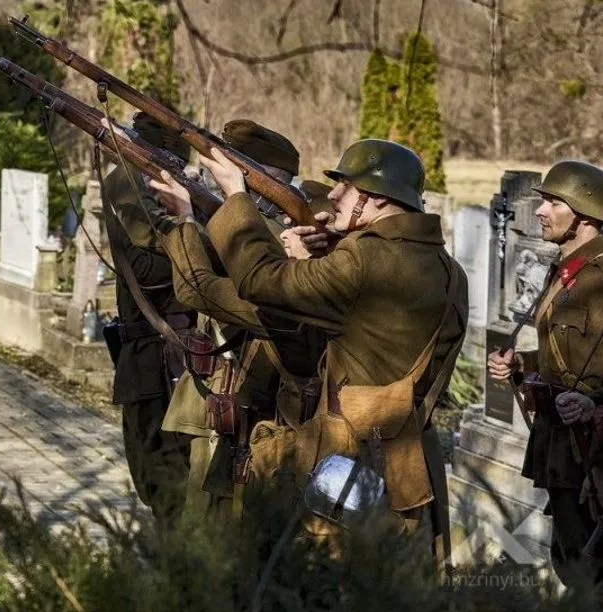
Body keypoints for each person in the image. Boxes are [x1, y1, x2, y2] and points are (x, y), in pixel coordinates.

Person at [154, 137, 468, 567]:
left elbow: (259, 281)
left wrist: (234, 198)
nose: (332, 195)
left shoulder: (362, 262)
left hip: (341, 465)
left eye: (345, 187)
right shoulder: (451, 271)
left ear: (375, 200)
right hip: (407, 465)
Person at [151, 120, 328, 518]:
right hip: (218, 400)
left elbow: (195, 287)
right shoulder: (244, 226)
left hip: (250, 412)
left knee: (219, 525)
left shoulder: (269, 242)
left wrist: (184, 217)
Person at [488, 160, 603, 596]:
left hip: (592, 452)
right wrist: (523, 367)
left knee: (589, 574)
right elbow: (570, 357)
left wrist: (596, 404)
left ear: (586, 215)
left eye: (553, 202)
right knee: (570, 562)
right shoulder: (565, 269)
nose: (539, 210)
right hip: (561, 447)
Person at [100, 112, 195, 512]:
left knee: (169, 484)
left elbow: (153, 265)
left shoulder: (153, 196)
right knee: (159, 485)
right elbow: (143, 264)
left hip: (167, 362)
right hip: (152, 359)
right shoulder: (126, 184)